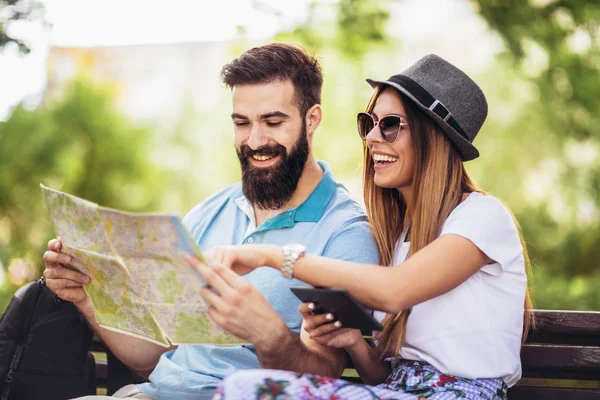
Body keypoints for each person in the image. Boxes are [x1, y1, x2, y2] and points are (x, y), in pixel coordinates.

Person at [42, 43, 379, 400]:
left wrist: (270, 335)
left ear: (312, 119)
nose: (255, 140)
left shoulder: (345, 234)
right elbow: (153, 359)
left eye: (273, 122)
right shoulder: (210, 212)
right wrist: (85, 295)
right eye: (241, 123)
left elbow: (324, 377)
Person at [187, 54, 534, 400]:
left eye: (390, 125)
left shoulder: (483, 217)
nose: (371, 137)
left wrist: (273, 256)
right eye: (369, 122)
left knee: (246, 387)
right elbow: (389, 377)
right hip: (400, 393)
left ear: (434, 136)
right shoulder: (401, 239)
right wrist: (354, 343)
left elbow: (395, 289)